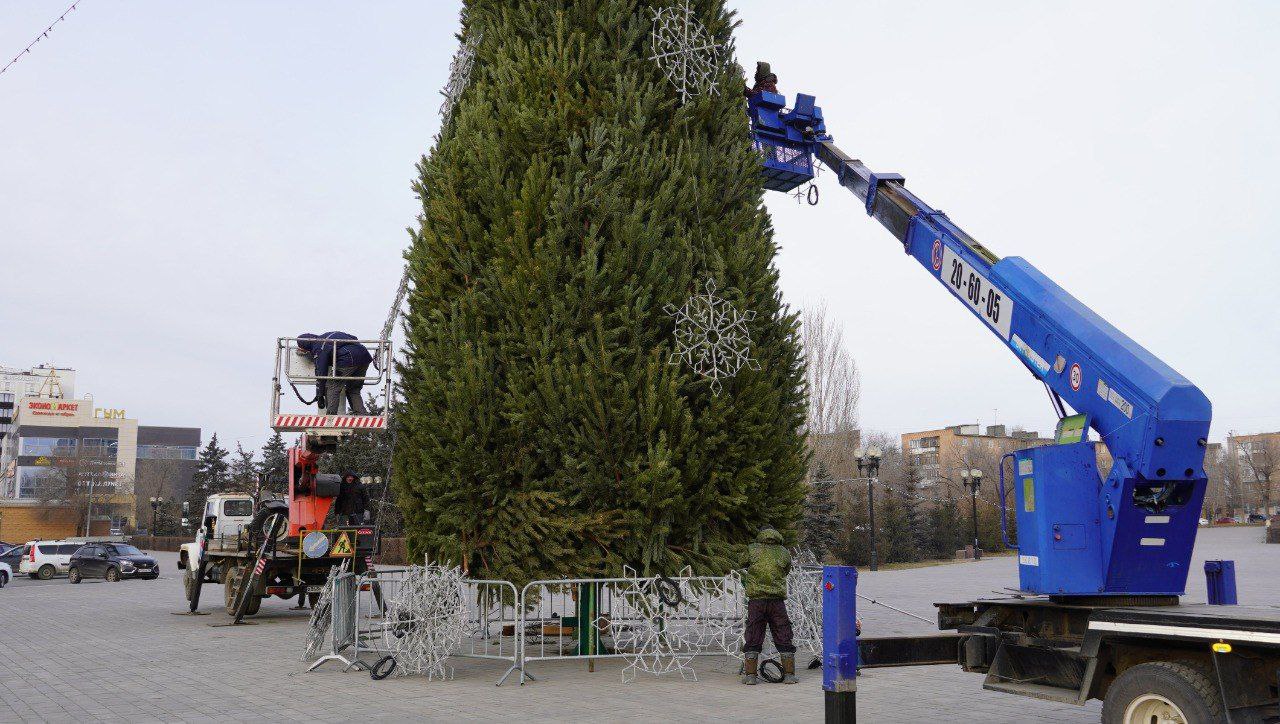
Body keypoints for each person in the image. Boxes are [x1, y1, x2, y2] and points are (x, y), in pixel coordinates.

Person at [741, 527, 797, 685]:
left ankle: (751, 676)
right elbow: (786, 570)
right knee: (783, 632)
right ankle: (789, 675)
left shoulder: (752, 549)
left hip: (756, 600)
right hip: (776, 600)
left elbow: (742, 563)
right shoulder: (783, 551)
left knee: (753, 632)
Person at [298, 332, 373, 415]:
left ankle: (331, 416)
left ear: (305, 346)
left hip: (348, 359)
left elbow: (322, 374)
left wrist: (320, 395)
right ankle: (361, 414)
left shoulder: (319, 348)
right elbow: (354, 337)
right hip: (364, 356)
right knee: (353, 389)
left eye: (303, 350)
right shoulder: (327, 336)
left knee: (332, 386)